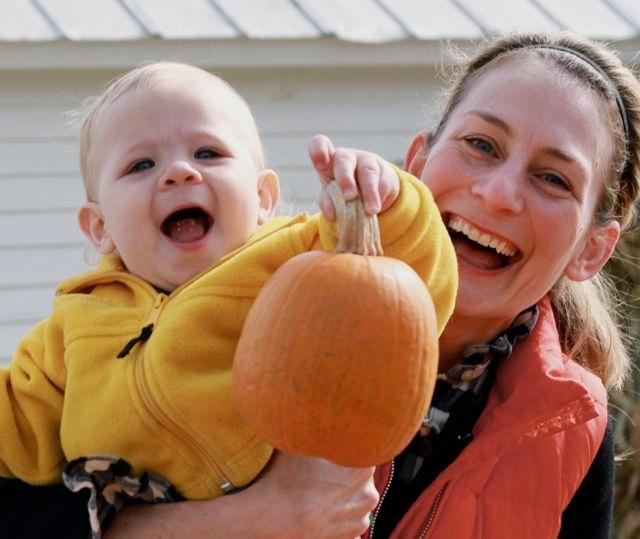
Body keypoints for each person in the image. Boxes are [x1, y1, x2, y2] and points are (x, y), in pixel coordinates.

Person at [1, 30, 639, 538]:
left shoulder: (567, 430)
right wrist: (230, 527)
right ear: (415, 164)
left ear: (592, 248)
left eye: (554, 178)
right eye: (480, 144)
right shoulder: (286, 294)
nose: (498, 194)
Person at [0, 62, 458, 538]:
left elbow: (409, 284)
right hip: (134, 511)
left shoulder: (295, 260)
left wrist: (383, 204)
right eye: (141, 164)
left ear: (263, 198)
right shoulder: (75, 321)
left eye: (208, 152)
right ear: (101, 229)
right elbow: (20, 427)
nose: (178, 172)